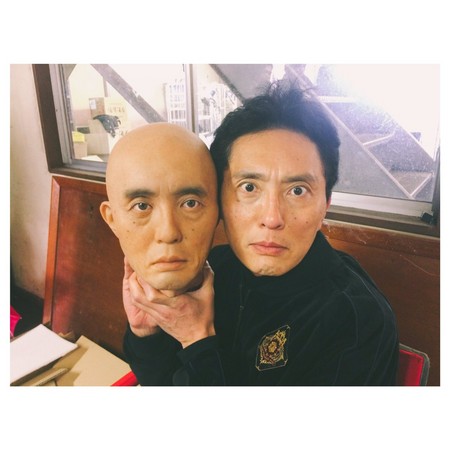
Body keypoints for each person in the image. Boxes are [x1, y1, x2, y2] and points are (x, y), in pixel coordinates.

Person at [123, 81, 399, 386]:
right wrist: (146, 334)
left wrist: (197, 340)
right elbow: (161, 382)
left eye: (297, 190)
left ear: (326, 205)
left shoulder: (357, 320)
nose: (272, 218)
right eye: (249, 187)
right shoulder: (215, 269)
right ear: (219, 200)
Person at [100, 123, 219, 357]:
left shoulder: (253, 295)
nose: (168, 232)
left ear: (218, 212)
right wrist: (144, 333)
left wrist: (197, 337)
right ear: (112, 220)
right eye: (142, 206)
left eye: (190, 203)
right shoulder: (151, 300)